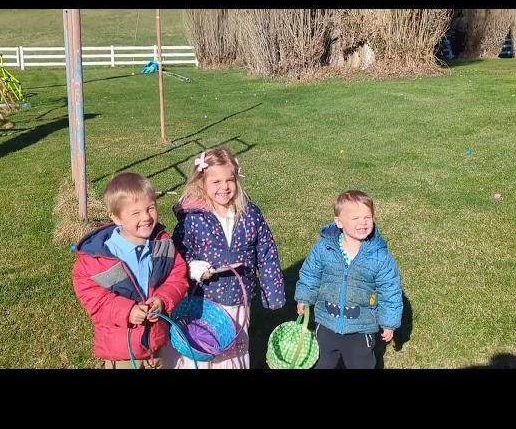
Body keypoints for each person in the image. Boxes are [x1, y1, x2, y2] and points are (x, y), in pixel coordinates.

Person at [163, 146, 286, 368]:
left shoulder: (249, 214)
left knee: (233, 350)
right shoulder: (193, 218)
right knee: (202, 348)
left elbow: (266, 252)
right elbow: (179, 254)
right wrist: (194, 268)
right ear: (202, 183)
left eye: (229, 180)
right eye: (216, 182)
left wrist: (273, 292)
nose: (224, 187)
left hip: (239, 299)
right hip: (203, 300)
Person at [72, 172, 188, 369]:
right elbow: (94, 299)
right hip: (122, 350)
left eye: (150, 208)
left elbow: (178, 277)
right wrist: (127, 311)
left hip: (157, 341)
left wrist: (162, 299)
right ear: (116, 218)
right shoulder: (97, 259)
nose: (146, 217)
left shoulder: (163, 244)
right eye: (135, 213)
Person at [295, 190, 403, 369]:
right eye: (355, 218)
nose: (363, 223)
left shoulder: (379, 256)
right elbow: (310, 274)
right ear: (339, 222)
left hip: (361, 329)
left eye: (367, 217)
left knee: (361, 363)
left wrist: (389, 322)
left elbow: (390, 290)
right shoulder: (324, 249)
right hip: (326, 323)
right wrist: (304, 298)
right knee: (322, 362)